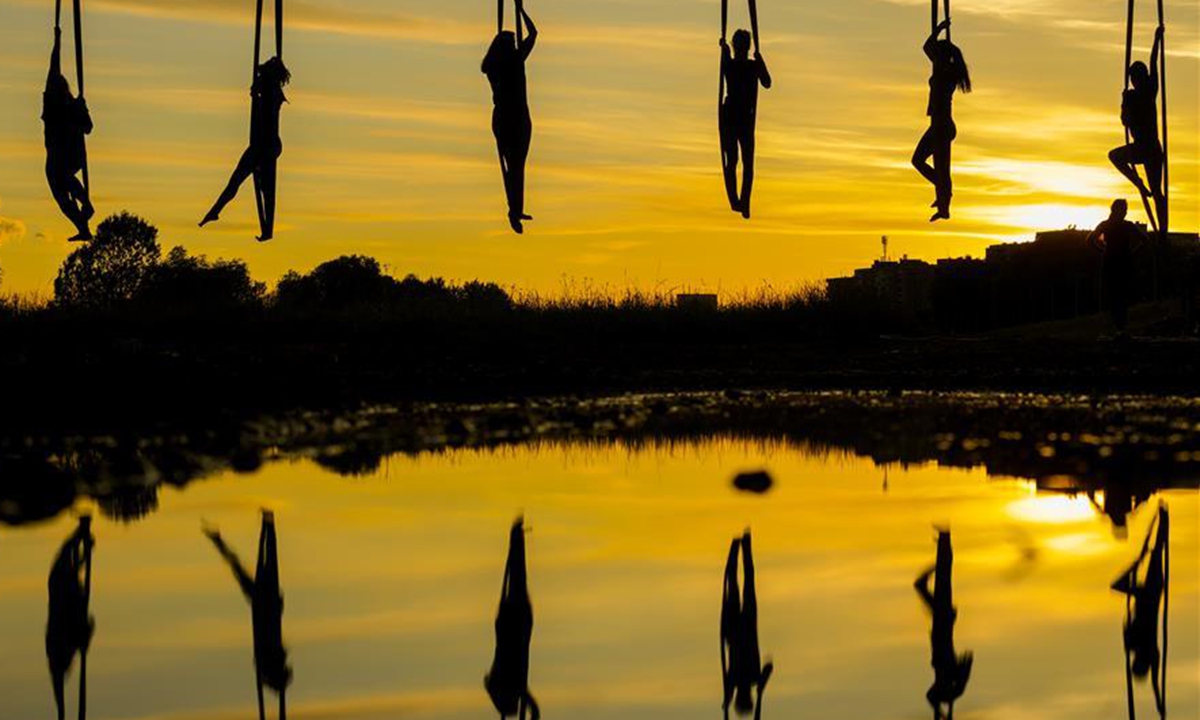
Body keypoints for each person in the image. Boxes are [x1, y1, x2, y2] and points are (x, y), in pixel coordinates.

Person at [204, 511, 291, 719]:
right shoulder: (272, 664)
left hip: (263, 605)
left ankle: (263, 526)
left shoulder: (269, 666)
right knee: (264, 561)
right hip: (267, 605)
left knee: (250, 564)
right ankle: (266, 525)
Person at [200, 56, 290, 242]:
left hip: (267, 145)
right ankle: (215, 211)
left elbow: (267, 113)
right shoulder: (266, 92)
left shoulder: (272, 93)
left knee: (266, 187)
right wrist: (255, 94)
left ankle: (268, 229)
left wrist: (256, 95)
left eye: (260, 76)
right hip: (259, 144)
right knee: (236, 180)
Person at [482, 8, 537, 234]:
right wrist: (522, 10)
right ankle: (514, 209)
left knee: (513, 166)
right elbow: (534, 34)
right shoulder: (514, 61)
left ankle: (515, 209)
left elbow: (531, 36)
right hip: (517, 117)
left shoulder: (492, 67)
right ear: (507, 47)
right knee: (517, 166)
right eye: (513, 41)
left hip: (504, 117)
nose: (516, 44)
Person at [1111, 505, 1168, 719]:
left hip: (1144, 598)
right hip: (1150, 596)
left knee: (1118, 585)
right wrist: (1159, 705)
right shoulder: (1148, 653)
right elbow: (1155, 682)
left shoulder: (1134, 647)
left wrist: (1159, 704)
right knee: (1157, 553)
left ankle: (1139, 559)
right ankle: (1162, 521)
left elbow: (1126, 624)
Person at [912, 19, 970, 223]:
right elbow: (927, 47)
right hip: (938, 125)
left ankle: (944, 196)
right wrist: (940, 29)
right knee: (926, 163)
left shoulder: (946, 71)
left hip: (942, 126)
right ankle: (943, 195)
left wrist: (940, 30)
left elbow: (928, 47)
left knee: (933, 165)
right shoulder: (945, 69)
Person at [1109, 27, 1165, 232]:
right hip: (1140, 147)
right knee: (1114, 156)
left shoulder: (1150, 91)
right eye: (1134, 78)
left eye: (1137, 77)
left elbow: (1153, 63)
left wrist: (1156, 40)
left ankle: (1162, 231)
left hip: (1151, 148)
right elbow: (1124, 121)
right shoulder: (1131, 96)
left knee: (1157, 192)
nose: (1135, 81)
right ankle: (1138, 183)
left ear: (1141, 78)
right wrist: (1124, 103)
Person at [914, 530, 972, 720]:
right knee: (937, 580)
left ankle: (943, 540)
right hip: (943, 620)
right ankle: (944, 539)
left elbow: (931, 697)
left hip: (940, 620)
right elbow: (967, 662)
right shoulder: (952, 683)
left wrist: (941, 715)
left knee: (935, 581)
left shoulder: (945, 682)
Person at [43, 27, 94, 242]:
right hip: (66, 158)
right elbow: (88, 128)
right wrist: (57, 40)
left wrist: (82, 111)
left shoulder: (60, 103)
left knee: (60, 184)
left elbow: (88, 127)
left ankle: (85, 209)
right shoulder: (71, 104)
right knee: (61, 190)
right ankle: (83, 225)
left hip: (64, 156)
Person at [486, 517, 540, 719]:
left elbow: (534, 712)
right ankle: (516, 540)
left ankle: (516, 540)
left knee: (517, 582)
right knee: (518, 581)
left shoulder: (509, 683)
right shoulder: (513, 684)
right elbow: (534, 712)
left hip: (512, 624)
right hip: (514, 624)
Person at [721, 531, 773, 720]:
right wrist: (760, 690)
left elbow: (768, 666)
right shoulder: (748, 680)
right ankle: (744, 546)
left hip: (734, 631)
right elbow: (769, 666)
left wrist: (759, 690)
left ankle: (738, 548)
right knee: (744, 585)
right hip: (746, 628)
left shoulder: (735, 682)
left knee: (736, 587)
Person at [46, 516, 94, 720]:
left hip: (67, 627)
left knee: (85, 627)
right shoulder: (59, 578)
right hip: (64, 628)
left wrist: (82, 539)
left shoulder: (68, 579)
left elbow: (72, 562)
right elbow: (68, 559)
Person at [720, 30, 772, 219]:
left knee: (740, 163)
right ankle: (737, 201)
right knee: (737, 162)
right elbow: (767, 82)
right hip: (736, 119)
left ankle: (742, 201)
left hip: (739, 120)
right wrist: (759, 61)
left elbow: (767, 83)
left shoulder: (741, 66)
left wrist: (760, 60)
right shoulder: (736, 66)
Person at [1088, 199, 1148, 336]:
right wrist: (1133, 252)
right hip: (1122, 263)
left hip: (1113, 263)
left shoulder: (1107, 225)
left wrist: (1102, 251)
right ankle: (1120, 327)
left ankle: (1119, 327)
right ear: (1117, 210)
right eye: (1124, 209)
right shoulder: (1126, 226)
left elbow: (1090, 240)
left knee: (1116, 295)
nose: (1125, 212)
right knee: (1120, 295)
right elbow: (1145, 240)